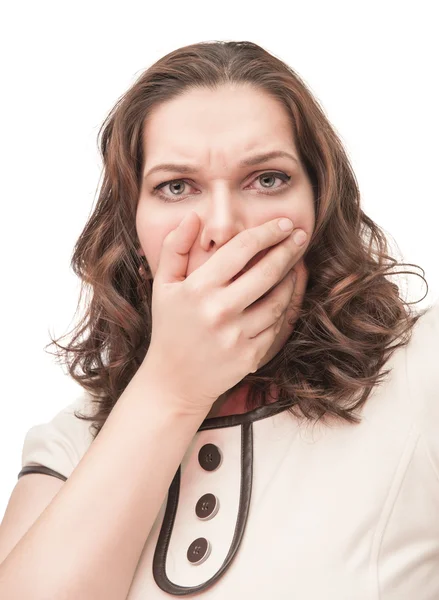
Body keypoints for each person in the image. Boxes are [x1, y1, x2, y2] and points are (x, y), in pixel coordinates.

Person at [0, 40, 437, 599]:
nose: (224, 226)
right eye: (176, 187)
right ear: (134, 236)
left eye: (268, 179)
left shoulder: (421, 369)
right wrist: (171, 389)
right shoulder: (75, 442)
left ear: (322, 208)